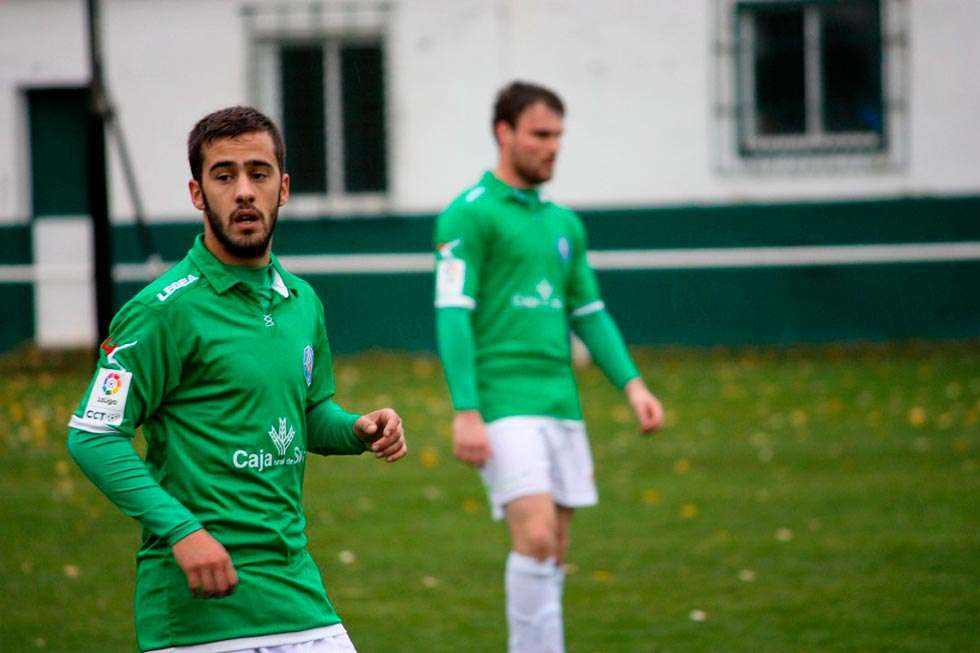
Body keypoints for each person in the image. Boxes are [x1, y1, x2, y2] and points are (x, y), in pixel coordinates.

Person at [67, 106, 407, 653]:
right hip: (201, 615)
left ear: (284, 187)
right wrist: (185, 532)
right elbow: (93, 435)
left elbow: (309, 414)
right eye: (224, 176)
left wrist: (357, 429)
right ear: (198, 193)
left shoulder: (302, 302)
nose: (244, 191)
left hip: (296, 593)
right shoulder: (161, 312)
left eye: (259, 173)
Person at [434, 81, 664, 652]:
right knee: (535, 537)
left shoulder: (565, 224)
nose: (552, 147)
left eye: (558, 135)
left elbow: (589, 313)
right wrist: (466, 410)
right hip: (503, 402)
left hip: (560, 401)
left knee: (555, 550)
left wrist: (632, 385)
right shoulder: (467, 215)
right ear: (503, 133)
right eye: (540, 134)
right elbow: (453, 315)